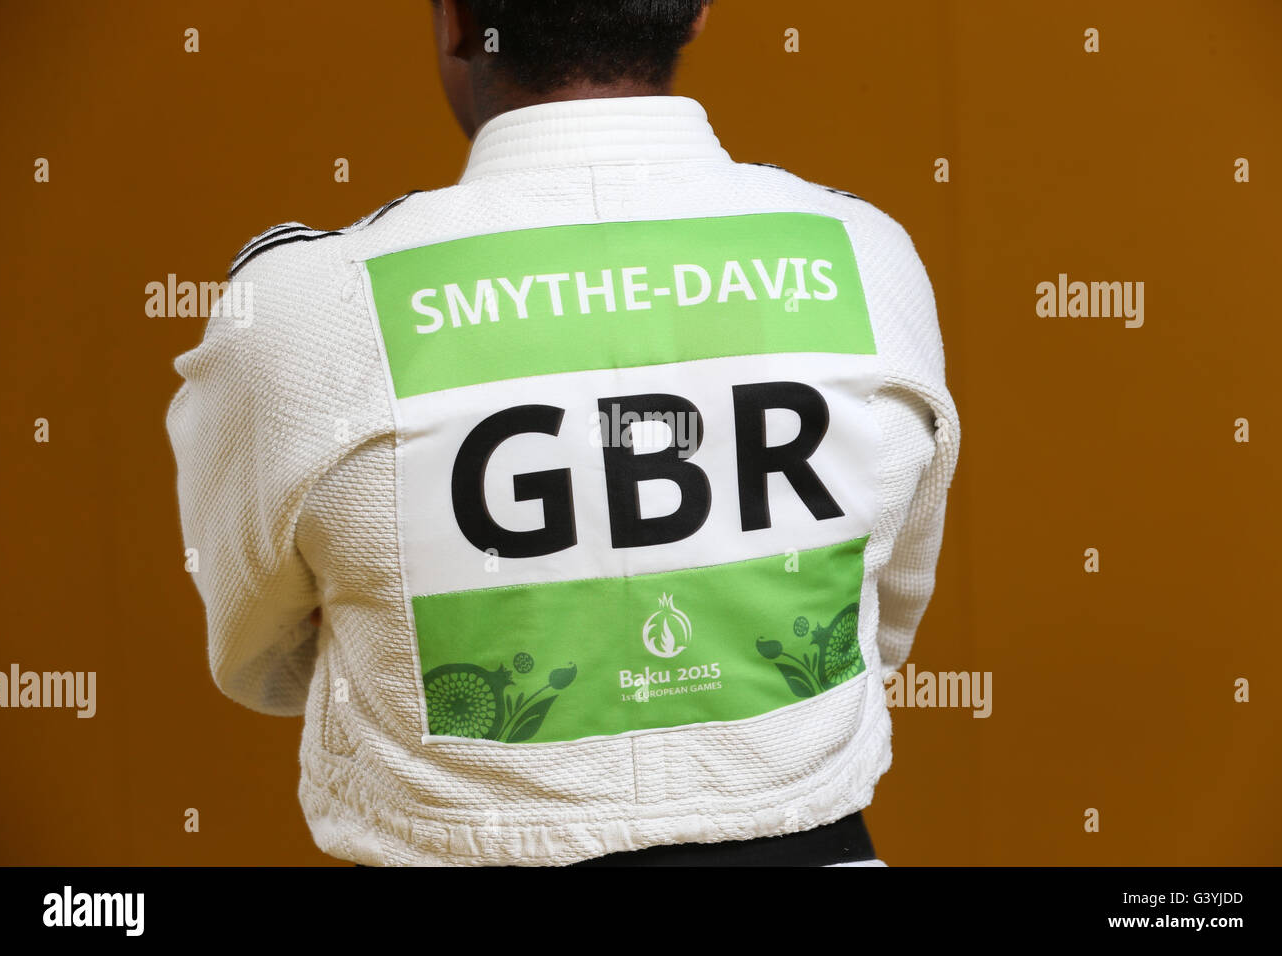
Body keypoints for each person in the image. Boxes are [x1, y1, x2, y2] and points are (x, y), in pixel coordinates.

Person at [166, 0, 960, 867]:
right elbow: (880, 623)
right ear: (693, 14)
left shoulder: (297, 309)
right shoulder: (864, 255)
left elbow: (258, 660)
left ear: (457, 22)